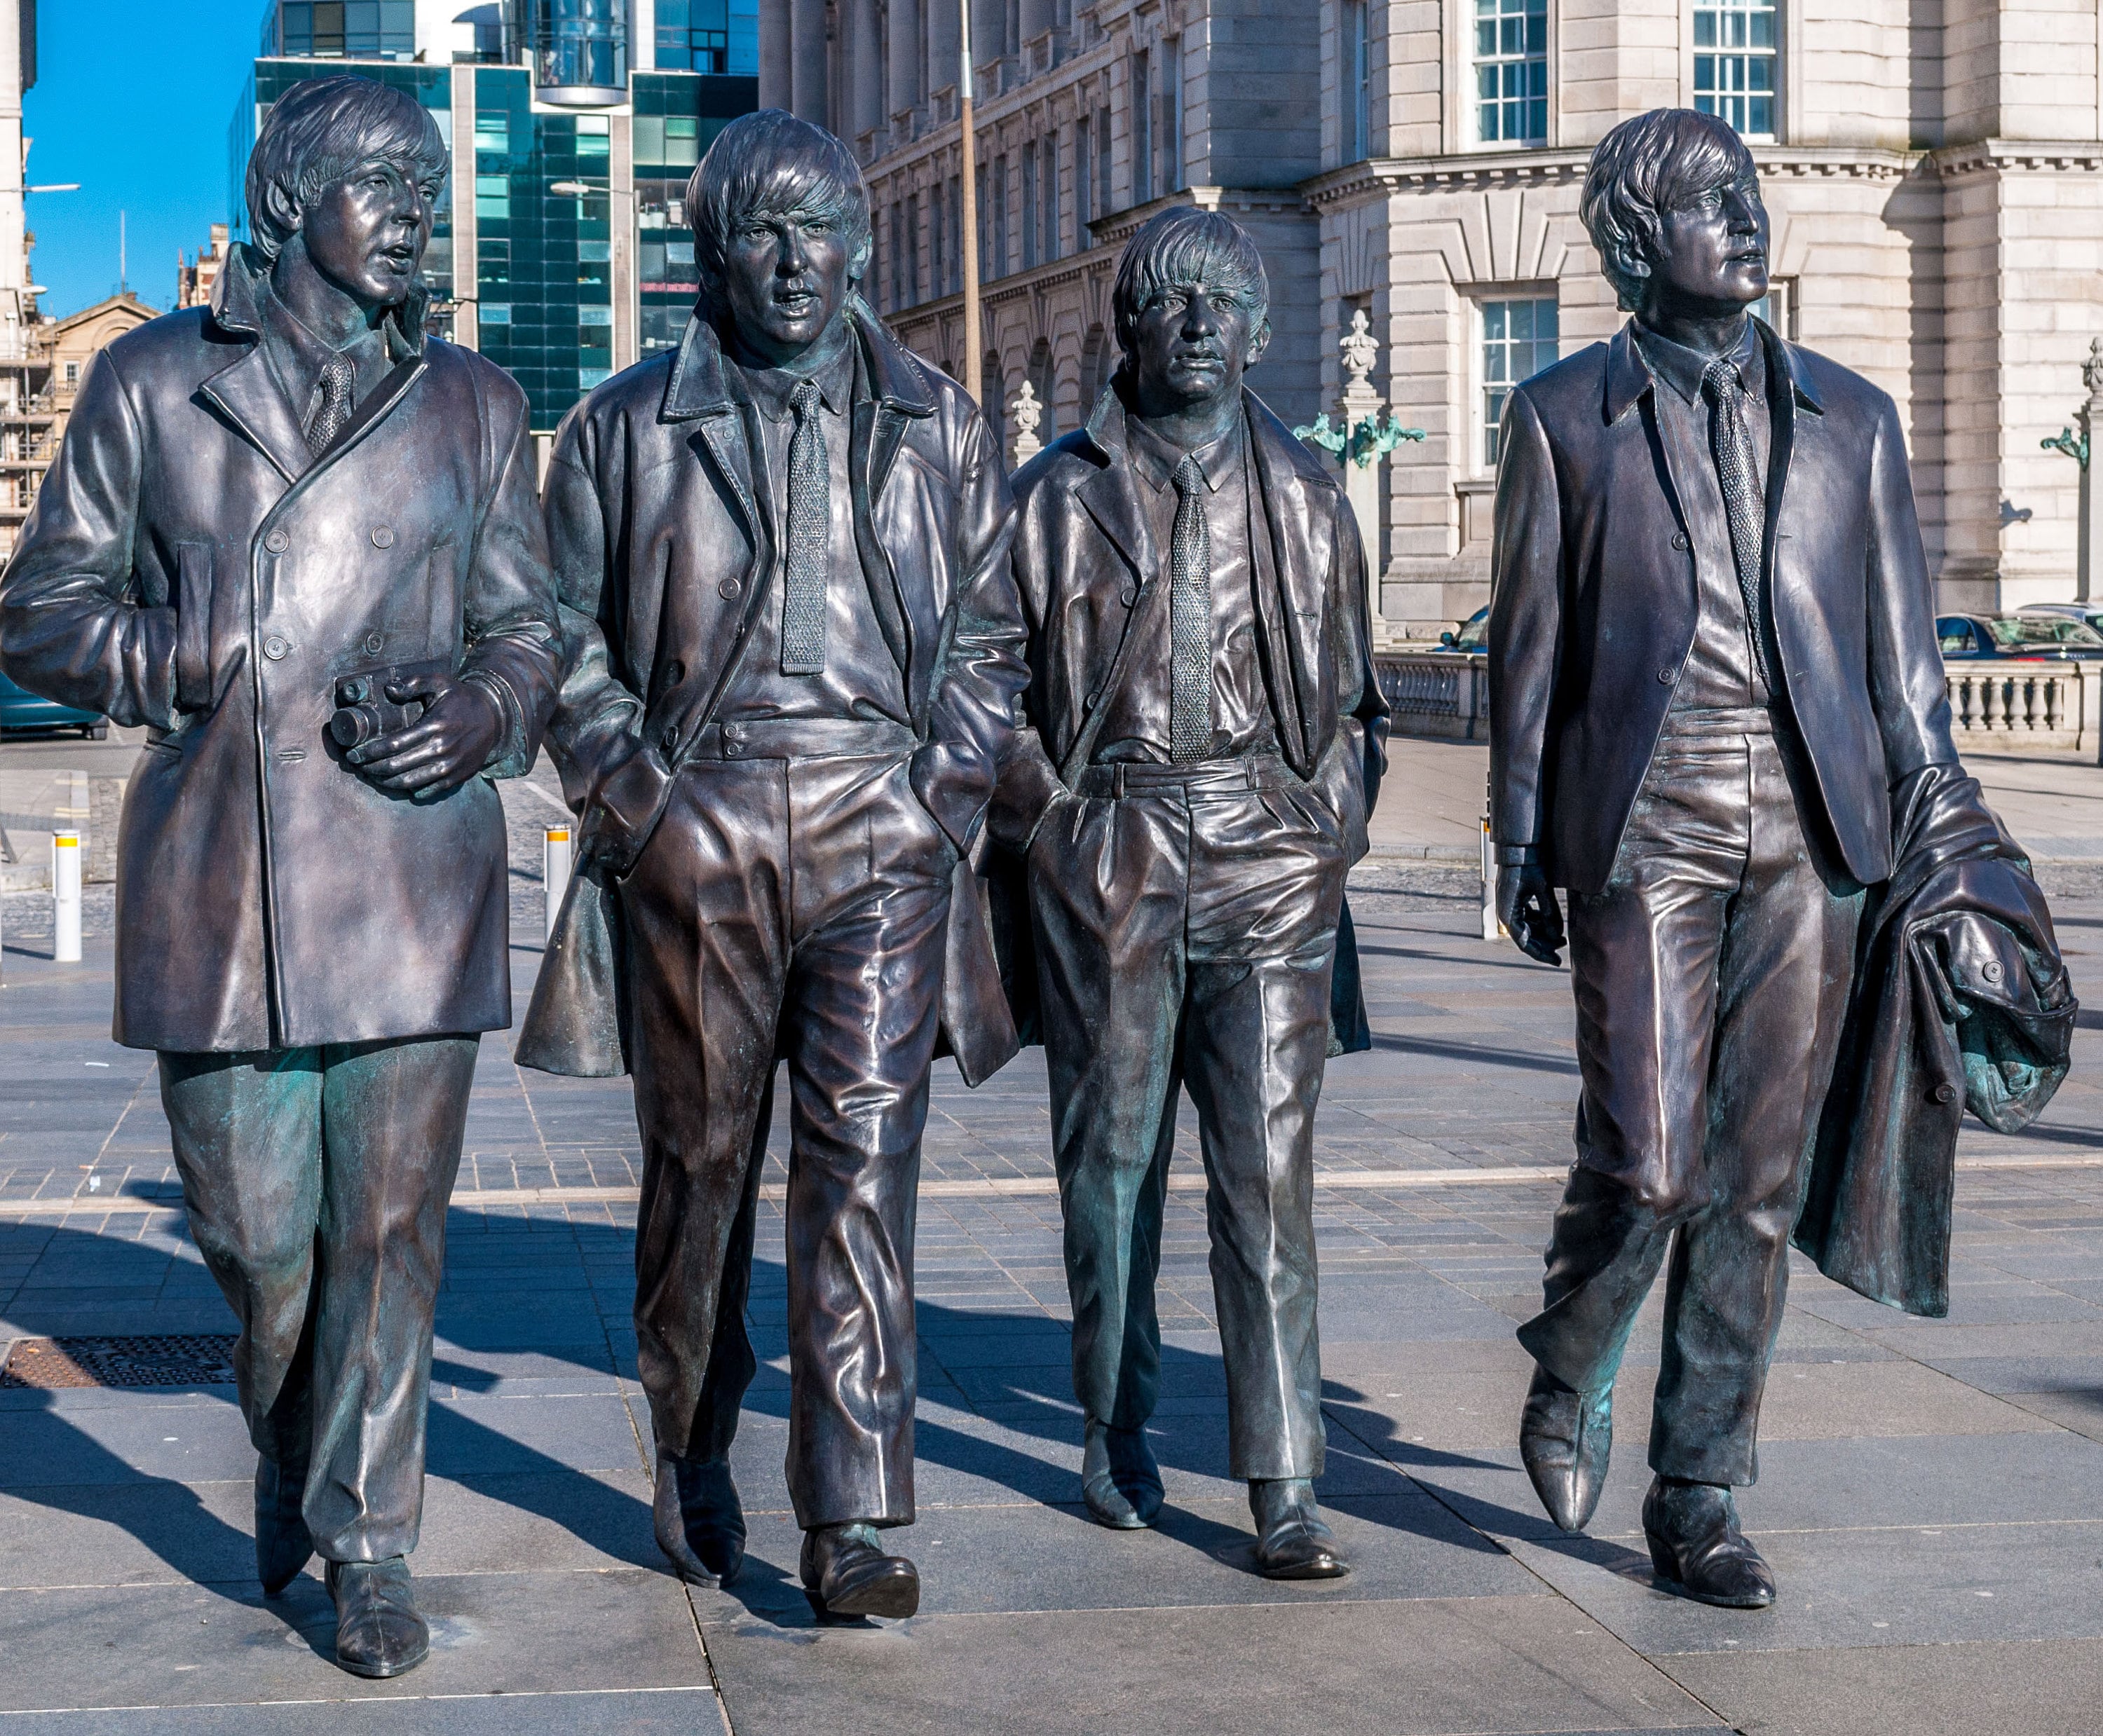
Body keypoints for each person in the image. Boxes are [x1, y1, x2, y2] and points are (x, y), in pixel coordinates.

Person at [0, 74, 560, 1674]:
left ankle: (369, 1543)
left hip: (411, 871)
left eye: (429, 188)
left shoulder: (474, 403)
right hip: (223, 884)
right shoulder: (151, 383)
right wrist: (175, 652)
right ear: (288, 201)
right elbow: (37, 613)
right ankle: (295, 1440)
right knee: (256, 1240)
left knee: (389, 1236)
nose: (418, 215)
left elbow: (532, 627)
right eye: (385, 183)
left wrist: (482, 709)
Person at [517, 109, 1028, 1620]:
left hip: (885, 823)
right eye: (762, 231)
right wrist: (640, 801)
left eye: (820, 229)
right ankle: (690, 1435)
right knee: (700, 1168)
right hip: (708, 818)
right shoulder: (625, 426)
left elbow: (992, 635)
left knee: (864, 1163)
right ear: (710, 255)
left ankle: (851, 1514)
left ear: (859, 244)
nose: (796, 261)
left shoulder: (942, 422)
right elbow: (556, 635)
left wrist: (939, 797)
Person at [1488, 107, 1975, 1606]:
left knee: (1756, 1177)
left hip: (1815, 828)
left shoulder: (1855, 419)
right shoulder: (1564, 416)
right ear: (1640, 242)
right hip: (1648, 815)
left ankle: (1698, 1488)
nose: (1748, 219)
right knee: (1647, 1158)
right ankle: (1573, 1356)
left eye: (1750, 192)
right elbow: (1529, 649)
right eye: (1712, 201)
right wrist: (1520, 837)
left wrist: (1948, 833)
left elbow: (1904, 669)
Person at [989, 206, 1388, 1578]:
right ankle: (1115, 1423)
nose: (1202, 323)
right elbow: (982, 691)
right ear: (1129, 329)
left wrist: (1328, 830)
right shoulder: (1054, 497)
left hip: (1270, 850)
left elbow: (1356, 701)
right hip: (1118, 843)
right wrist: (1055, 827)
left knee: (1268, 1177)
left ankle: (1285, 1475)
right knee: (1111, 1170)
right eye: (1173, 300)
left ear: (1259, 331)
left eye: (1224, 302)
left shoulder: (1311, 493)